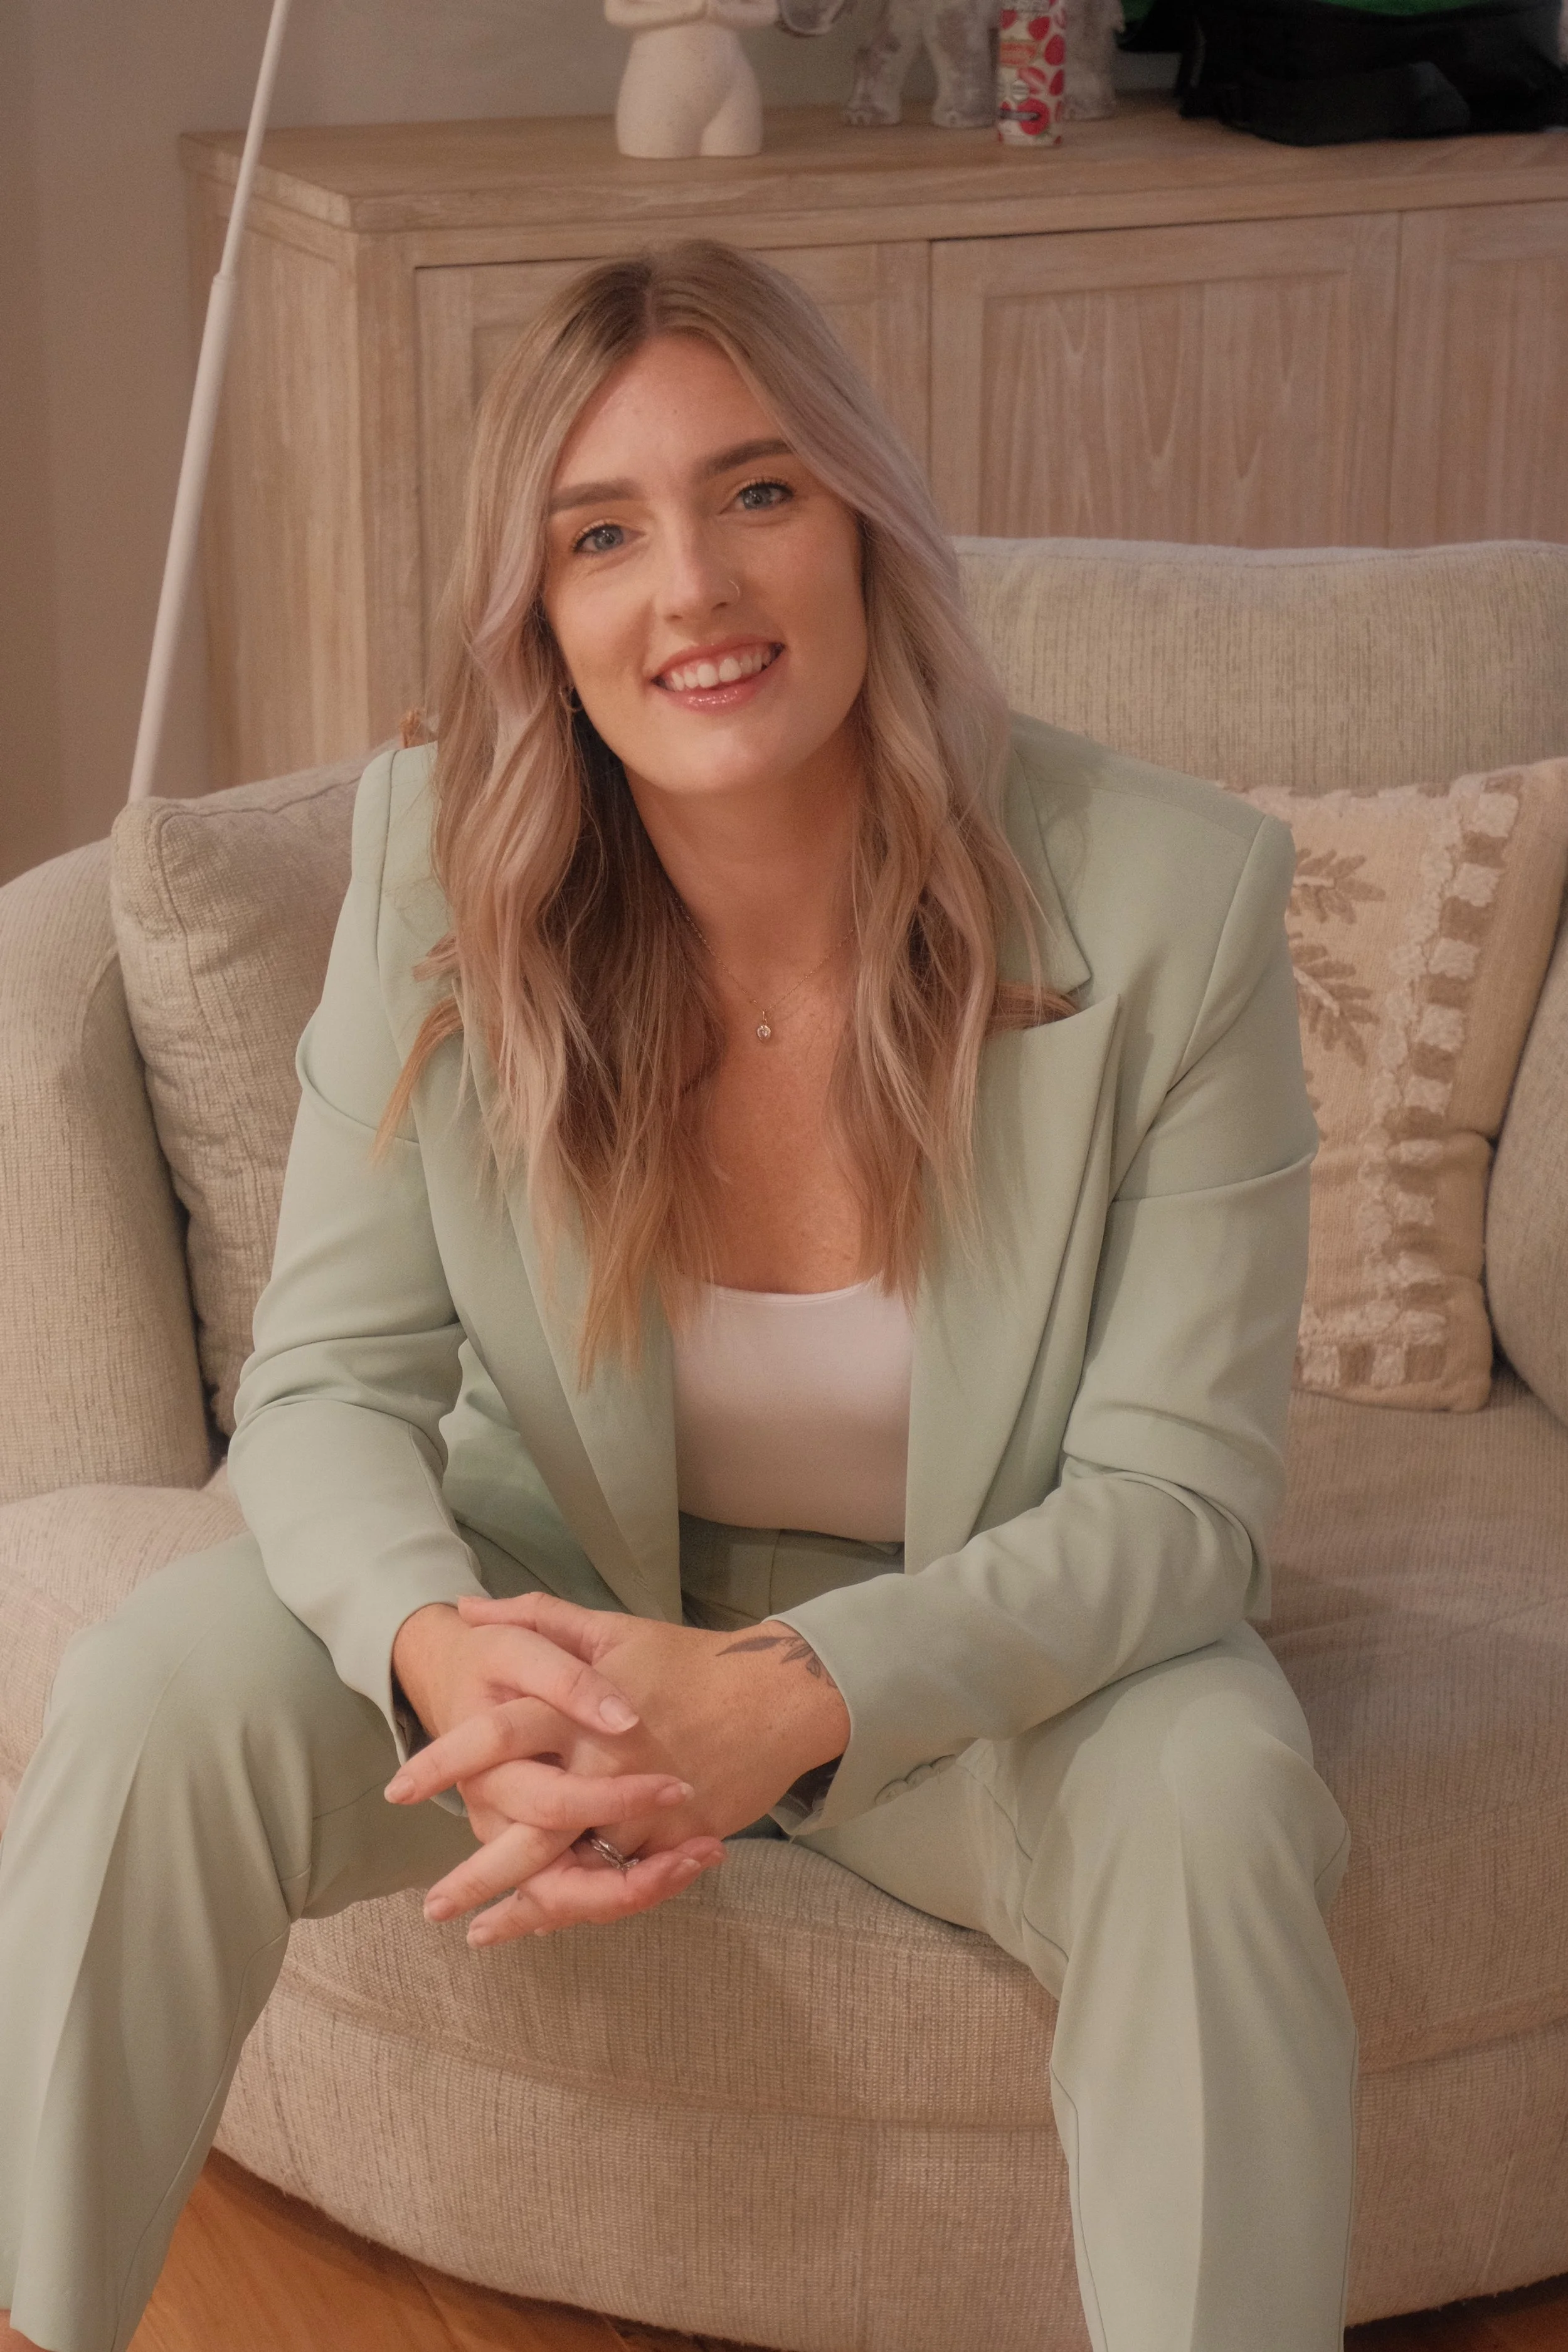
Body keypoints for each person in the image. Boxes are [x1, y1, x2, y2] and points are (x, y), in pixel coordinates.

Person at [0, 240, 1356, 2352]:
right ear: (538, 613)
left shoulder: (1175, 898)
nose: (693, 592)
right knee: (154, 1686)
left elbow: (1181, 1504)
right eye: (600, 534)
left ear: (862, 525)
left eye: (758, 493)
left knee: (1212, 1801)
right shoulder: (439, 862)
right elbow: (333, 1382)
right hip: (554, 1597)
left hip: (984, 1629)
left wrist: (792, 1693)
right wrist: (440, 1648)